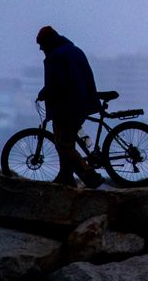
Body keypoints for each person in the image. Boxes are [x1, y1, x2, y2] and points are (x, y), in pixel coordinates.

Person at [35, 25, 104, 188]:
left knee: (63, 144)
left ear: (48, 42)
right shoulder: (74, 50)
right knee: (67, 141)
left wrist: (44, 93)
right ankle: (65, 176)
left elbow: (56, 82)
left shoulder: (56, 56)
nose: (40, 49)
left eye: (41, 45)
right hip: (81, 103)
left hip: (67, 107)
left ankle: (90, 176)